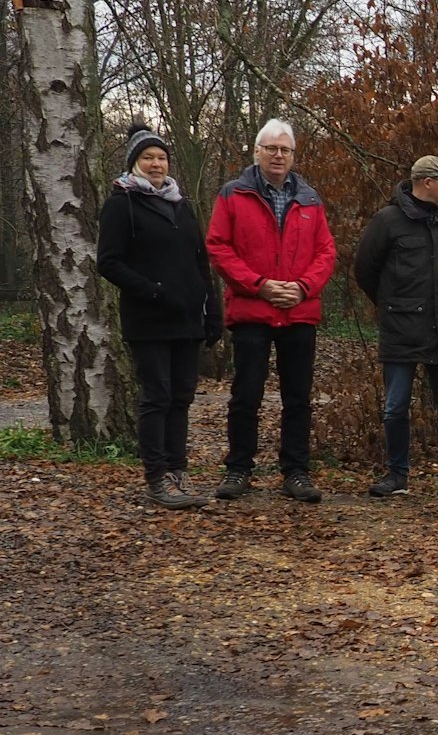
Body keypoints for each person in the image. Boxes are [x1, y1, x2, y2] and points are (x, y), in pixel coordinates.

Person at [206, 118, 337, 503]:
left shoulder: (310, 199)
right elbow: (218, 248)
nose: (278, 155)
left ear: (293, 155)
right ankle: (238, 469)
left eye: (285, 150)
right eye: (272, 148)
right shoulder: (233, 194)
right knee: (246, 394)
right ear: (257, 152)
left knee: (298, 397)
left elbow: (326, 251)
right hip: (252, 312)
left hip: (299, 311)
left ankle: (296, 471)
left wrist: (302, 287)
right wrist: (260, 285)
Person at [95, 124, 222, 510]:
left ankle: (177, 472)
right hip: (148, 320)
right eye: (148, 157)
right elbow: (108, 263)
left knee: (182, 396)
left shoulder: (181, 205)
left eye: (161, 157)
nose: (156, 164)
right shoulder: (122, 204)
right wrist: (151, 290)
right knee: (157, 396)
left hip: (187, 319)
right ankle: (156, 477)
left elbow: (202, 263)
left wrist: (212, 311)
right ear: (134, 162)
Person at [353, 156, 438, 505]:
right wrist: (392, 305)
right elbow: (365, 270)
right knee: (395, 406)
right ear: (427, 182)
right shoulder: (388, 220)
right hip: (401, 329)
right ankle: (396, 474)